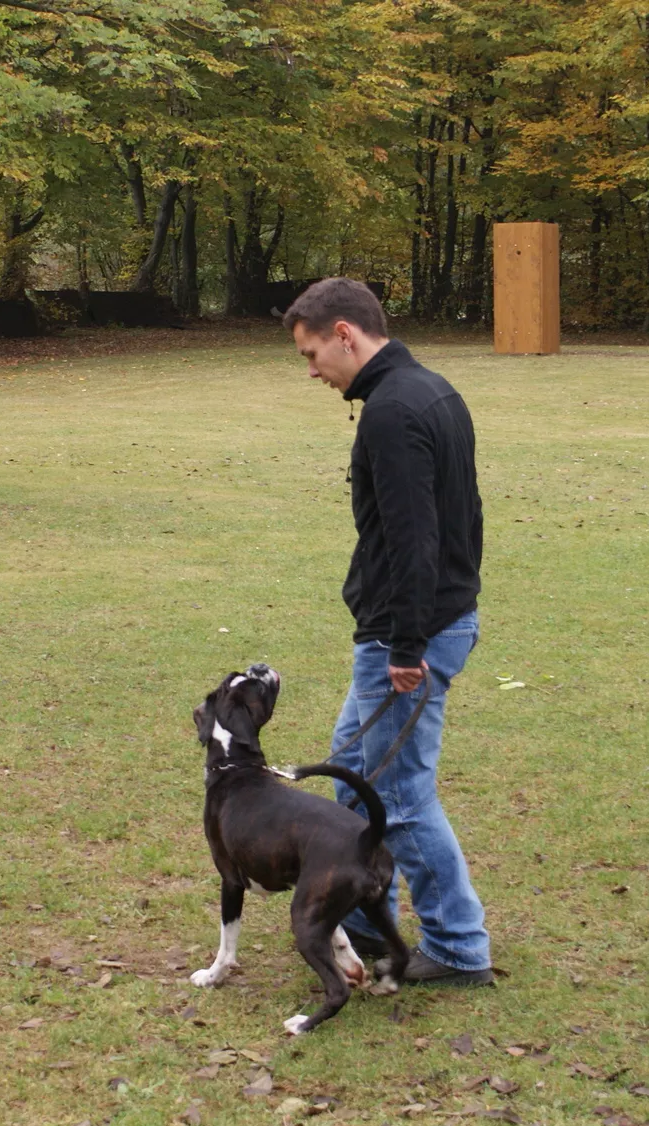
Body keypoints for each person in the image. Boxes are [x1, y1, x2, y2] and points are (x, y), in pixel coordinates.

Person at [281, 278, 493, 987]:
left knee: (397, 798)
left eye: (312, 354)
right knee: (352, 770)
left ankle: (459, 946)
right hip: (429, 621)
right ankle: (369, 919)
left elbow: (413, 539)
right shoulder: (432, 390)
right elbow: (464, 517)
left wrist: (407, 645)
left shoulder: (393, 413)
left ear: (344, 334)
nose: (312, 371)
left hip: (409, 636)